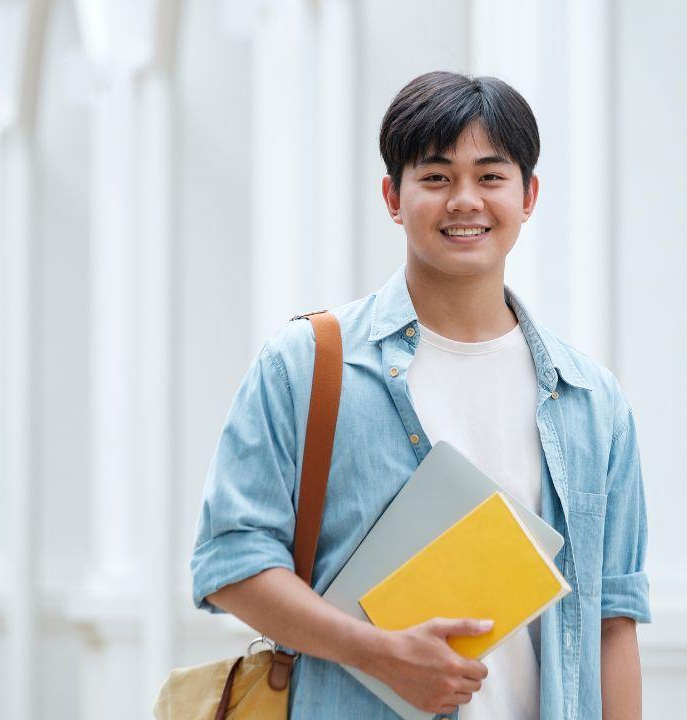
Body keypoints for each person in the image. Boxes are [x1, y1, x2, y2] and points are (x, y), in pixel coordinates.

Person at [191, 70, 650, 720]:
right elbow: (230, 562)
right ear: (393, 196)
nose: (465, 200)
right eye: (436, 177)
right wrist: (377, 652)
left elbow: (613, 621)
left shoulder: (591, 401)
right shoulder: (308, 364)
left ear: (528, 195)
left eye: (490, 176)